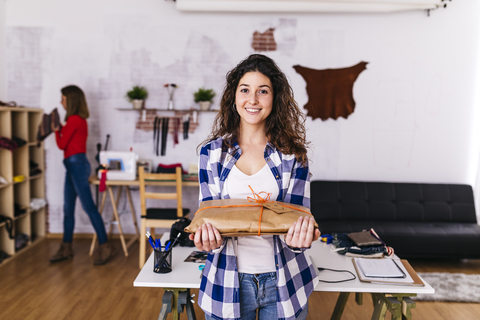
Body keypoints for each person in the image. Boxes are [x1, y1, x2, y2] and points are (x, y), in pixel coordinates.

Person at [190, 54, 321, 320]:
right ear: (233, 97)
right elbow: (209, 217)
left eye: (263, 91)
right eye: (245, 90)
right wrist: (207, 240)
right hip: (226, 282)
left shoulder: (293, 156)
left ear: (275, 98)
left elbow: (299, 220)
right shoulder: (211, 154)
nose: (253, 100)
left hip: (284, 282)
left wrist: (301, 239)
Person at [50, 85, 116, 266]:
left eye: (62, 98)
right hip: (73, 166)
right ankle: (66, 247)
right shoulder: (75, 121)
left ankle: (105, 245)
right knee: (68, 208)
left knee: (88, 207)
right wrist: (59, 128)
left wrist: (56, 129)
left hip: (77, 166)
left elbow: (62, 144)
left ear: (70, 100)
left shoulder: (74, 120)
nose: (60, 101)